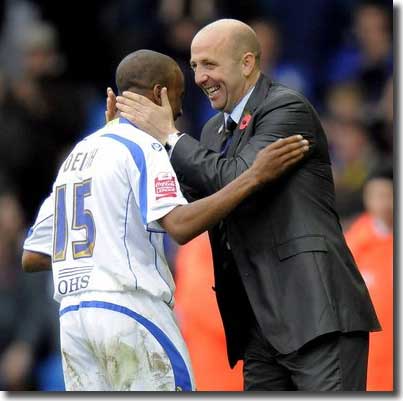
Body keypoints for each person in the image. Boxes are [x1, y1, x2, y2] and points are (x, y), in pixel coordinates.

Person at [112, 19, 381, 391]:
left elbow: (234, 177)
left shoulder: (286, 108)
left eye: (209, 64)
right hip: (257, 326)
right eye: (194, 67)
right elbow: (187, 203)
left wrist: (170, 136)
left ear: (247, 63)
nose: (200, 77)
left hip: (315, 313)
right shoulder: (211, 133)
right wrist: (131, 140)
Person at [21, 49, 308, 391]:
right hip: (130, 312)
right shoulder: (145, 145)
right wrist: (253, 177)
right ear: (160, 93)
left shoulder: (77, 156)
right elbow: (181, 226)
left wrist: (104, 246)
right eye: (179, 95)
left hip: (73, 321)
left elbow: (32, 256)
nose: (181, 109)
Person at [345, 165, 393, 391]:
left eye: (388, 195)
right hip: (368, 364)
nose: (383, 204)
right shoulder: (354, 243)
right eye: (376, 196)